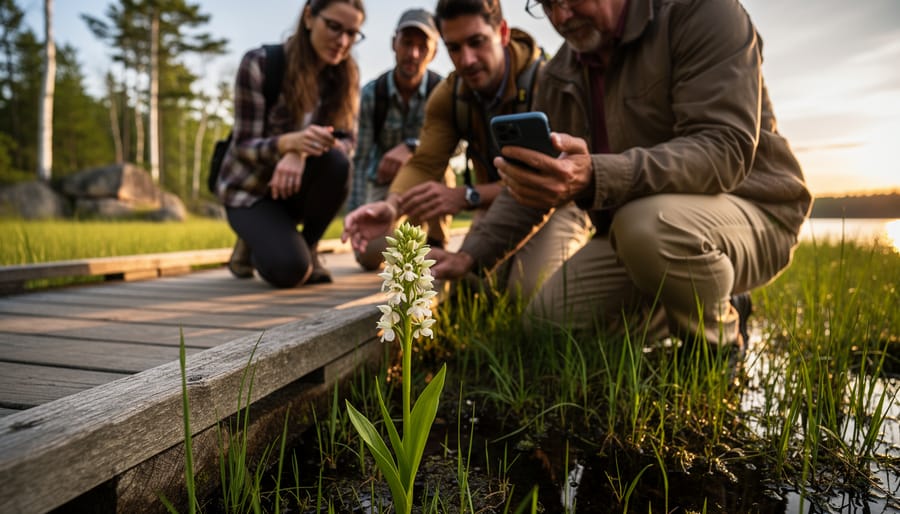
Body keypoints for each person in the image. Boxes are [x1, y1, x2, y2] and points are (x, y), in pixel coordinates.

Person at [428, 0, 812, 355]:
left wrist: (598, 173)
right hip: (637, 237)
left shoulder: (700, 12)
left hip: (754, 211)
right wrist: (469, 255)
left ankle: (716, 349)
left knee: (645, 225)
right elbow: (532, 185)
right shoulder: (560, 74)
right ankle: (710, 296)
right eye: (545, 4)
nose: (560, 17)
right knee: (546, 323)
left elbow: (724, 149)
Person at [342, 0, 592, 300]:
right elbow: (424, 163)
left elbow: (560, 180)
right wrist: (393, 206)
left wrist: (467, 196)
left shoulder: (547, 81)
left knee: (523, 290)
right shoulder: (449, 96)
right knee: (472, 286)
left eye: (477, 42)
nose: (467, 60)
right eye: (455, 48)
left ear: (502, 32)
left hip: (561, 205)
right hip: (497, 208)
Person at [217, 0, 365, 288]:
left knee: (338, 163)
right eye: (334, 27)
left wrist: (301, 152)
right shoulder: (260, 64)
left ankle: (306, 245)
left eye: (352, 33)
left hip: (294, 189)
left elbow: (348, 142)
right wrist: (289, 144)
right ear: (309, 17)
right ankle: (261, 242)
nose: (343, 41)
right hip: (250, 191)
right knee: (289, 271)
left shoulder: (346, 76)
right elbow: (243, 147)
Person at [349, 8, 452, 271]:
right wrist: (357, 215)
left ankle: (435, 241)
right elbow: (360, 159)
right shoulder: (373, 94)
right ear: (394, 43)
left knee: (444, 170)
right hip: (383, 184)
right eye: (407, 43)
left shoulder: (444, 90)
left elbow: (458, 144)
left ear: (434, 52)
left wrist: (411, 147)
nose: (413, 54)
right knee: (369, 256)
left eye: (422, 46)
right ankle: (408, 243)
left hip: (428, 179)